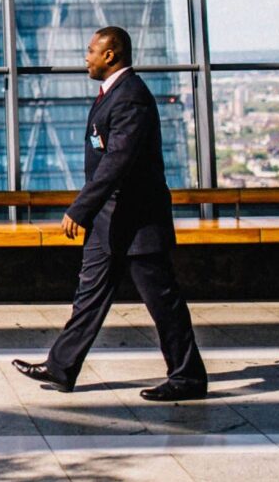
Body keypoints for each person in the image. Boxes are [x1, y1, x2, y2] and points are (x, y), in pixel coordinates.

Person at [13, 26, 208, 401]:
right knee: (88, 296)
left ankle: (188, 377)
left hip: (137, 223)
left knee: (163, 302)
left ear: (111, 54)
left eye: (90, 51)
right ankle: (61, 367)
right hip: (110, 222)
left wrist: (80, 208)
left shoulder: (131, 98)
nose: (85, 58)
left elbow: (117, 162)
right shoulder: (113, 94)